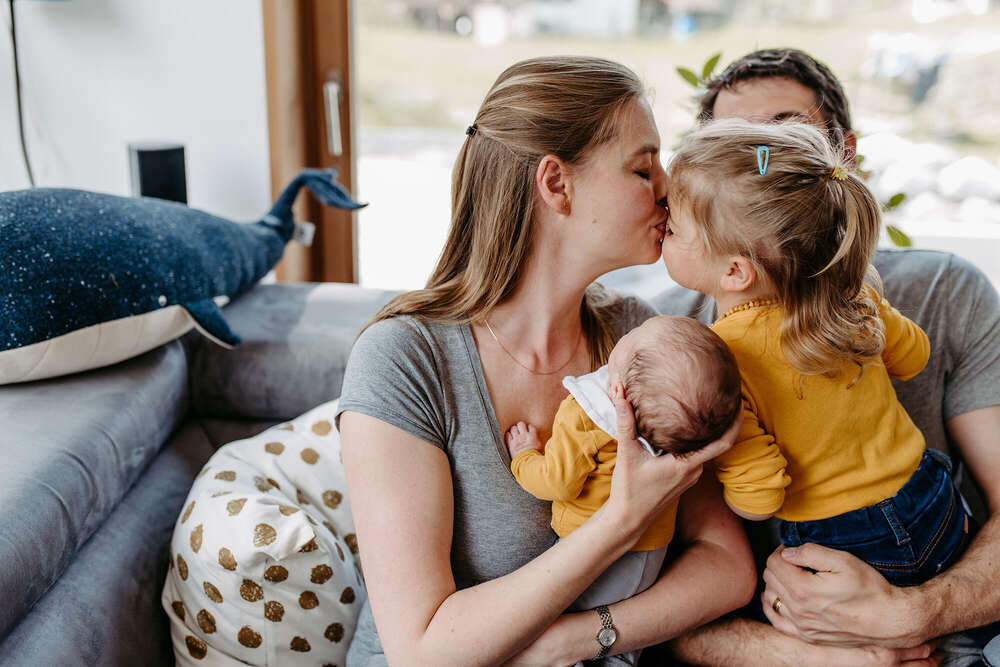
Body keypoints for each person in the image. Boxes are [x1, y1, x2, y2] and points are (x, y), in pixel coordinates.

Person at [335, 56, 754, 667]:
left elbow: (728, 567)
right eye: (643, 168)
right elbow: (423, 651)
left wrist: (576, 639)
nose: (667, 188)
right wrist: (622, 519)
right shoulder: (406, 360)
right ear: (557, 184)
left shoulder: (638, 338)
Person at [656, 48, 1000, 666]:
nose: (758, 169)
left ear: (843, 156)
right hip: (885, 550)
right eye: (733, 146)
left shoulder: (947, 288)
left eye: (783, 136)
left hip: (913, 582)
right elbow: (658, 606)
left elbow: (757, 494)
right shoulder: (667, 339)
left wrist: (912, 616)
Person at [665, 118, 969, 588]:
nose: (662, 229)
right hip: (933, 502)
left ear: (735, 272)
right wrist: (870, 303)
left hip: (844, 544)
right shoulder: (851, 299)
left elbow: (758, 501)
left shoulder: (717, 359)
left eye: (672, 228)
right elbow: (914, 358)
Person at [505, 315, 742, 666]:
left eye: (635, 334)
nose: (631, 328)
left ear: (617, 392)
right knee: (622, 649)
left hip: (591, 552)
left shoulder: (586, 414)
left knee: (578, 619)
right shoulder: (676, 429)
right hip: (652, 553)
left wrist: (525, 456)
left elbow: (557, 483)